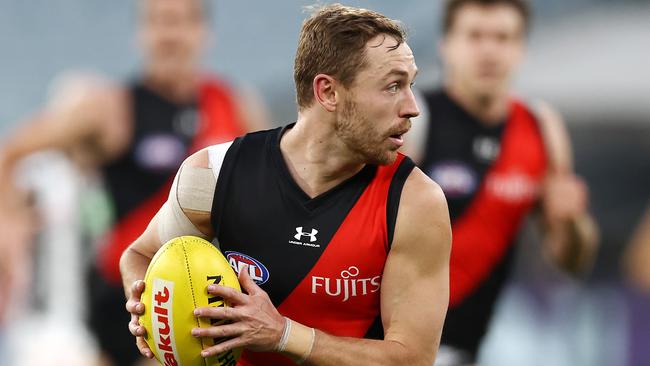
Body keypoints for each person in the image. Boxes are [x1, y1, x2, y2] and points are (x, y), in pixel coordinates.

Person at [121, 4, 452, 366]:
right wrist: (146, 310)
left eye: (411, 84)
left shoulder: (414, 201)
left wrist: (282, 335)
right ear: (327, 92)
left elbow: (412, 359)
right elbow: (140, 256)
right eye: (393, 86)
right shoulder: (213, 175)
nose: (412, 107)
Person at [0, 0, 267, 365]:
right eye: (158, 23)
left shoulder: (235, 105)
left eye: (179, 23)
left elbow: (272, 188)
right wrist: (9, 229)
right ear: (140, 34)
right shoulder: (111, 108)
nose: (169, 35)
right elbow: (12, 151)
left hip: (205, 300)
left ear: (203, 32)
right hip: (129, 297)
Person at [401, 0, 599, 364]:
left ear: (521, 49)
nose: (489, 51)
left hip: (467, 351)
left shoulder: (541, 128)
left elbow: (570, 262)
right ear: (446, 45)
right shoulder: (411, 121)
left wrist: (570, 221)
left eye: (503, 38)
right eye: (474, 36)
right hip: (396, 349)